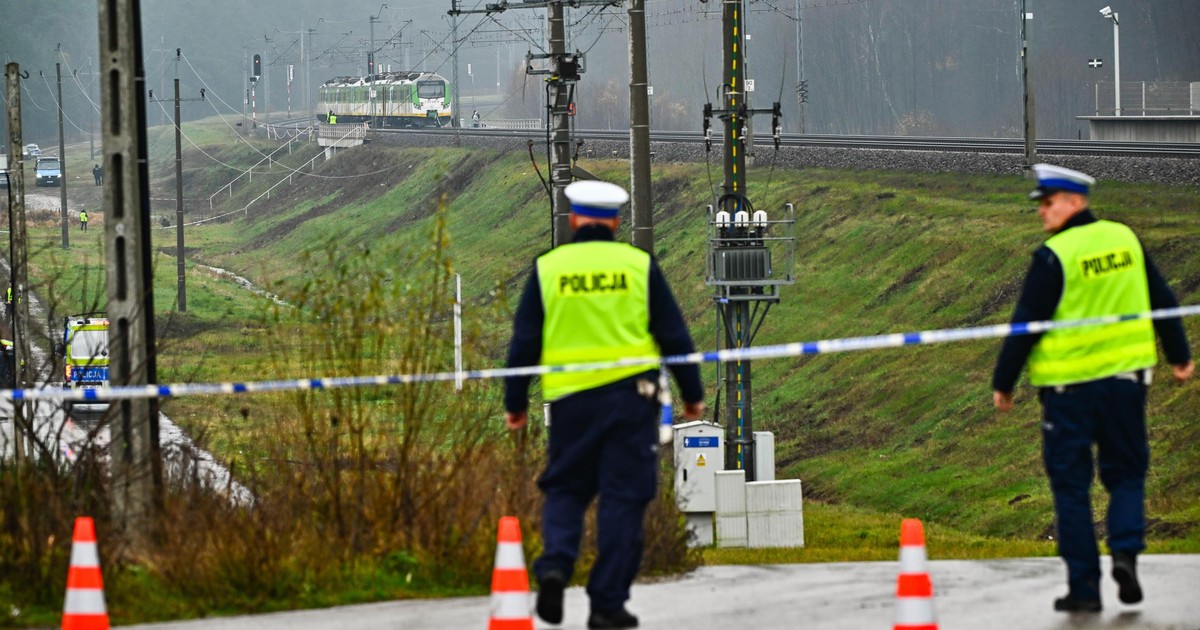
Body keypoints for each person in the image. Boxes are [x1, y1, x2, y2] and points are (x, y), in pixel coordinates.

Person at [992, 164, 1193, 613]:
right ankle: (1125, 552)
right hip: (1126, 384)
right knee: (1125, 473)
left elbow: (1026, 324)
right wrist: (1180, 354)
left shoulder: (1054, 255)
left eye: (1048, 203)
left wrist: (1003, 382)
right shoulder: (1125, 239)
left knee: (1071, 486)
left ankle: (1083, 588)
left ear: (1075, 202)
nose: (1042, 212)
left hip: (1068, 394)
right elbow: (1162, 299)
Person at [505, 180, 705, 629]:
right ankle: (606, 604)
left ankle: (555, 565)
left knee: (567, 488)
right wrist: (692, 394)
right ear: (615, 221)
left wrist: (515, 402)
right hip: (630, 405)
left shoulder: (548, 268)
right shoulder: (638, 266)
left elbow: (524, 343)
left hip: (570, 403)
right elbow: (673, 334)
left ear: (574, 218)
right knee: (623, 498)